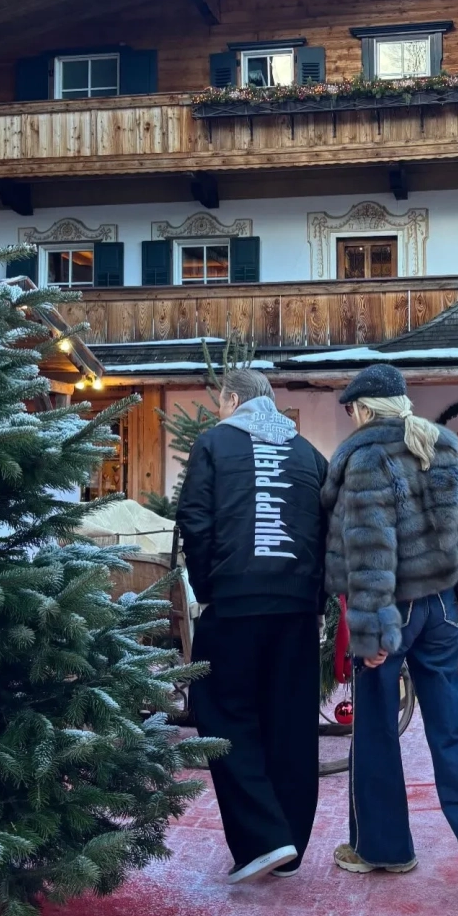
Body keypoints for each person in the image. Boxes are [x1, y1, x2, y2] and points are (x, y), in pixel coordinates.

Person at [322, 363, 458, 895]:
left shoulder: (367, 457)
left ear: (364, 409)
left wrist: (371, 631)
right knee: (451, 728)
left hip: (392, 609)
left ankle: (384, 850)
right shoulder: (440, 447)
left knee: (377, 728)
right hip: (444, 608)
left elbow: (370, 550)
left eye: (352, 409)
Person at [176, 369, 328, 884]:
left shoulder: (215, 444)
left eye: (221, 402)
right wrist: (316, 596)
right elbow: (327, 527)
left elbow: (195, 519)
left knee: (219, 709)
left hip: (235, 601)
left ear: (233, 399)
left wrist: (207, 587)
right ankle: (290, 843)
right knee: (291, 719)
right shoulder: (307, 453)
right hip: (297, 605)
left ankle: (264, 838)